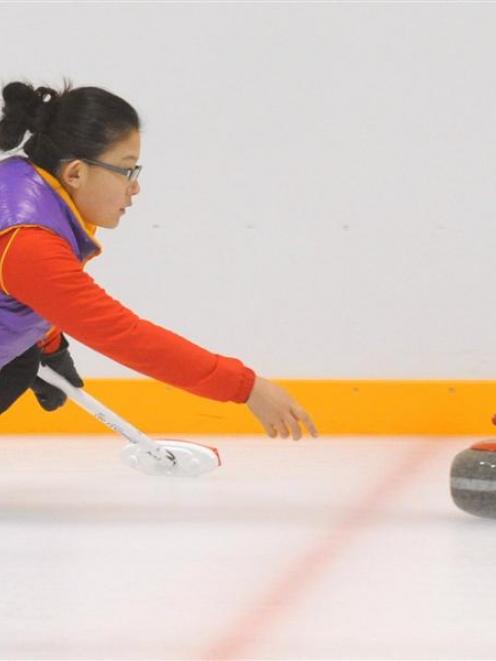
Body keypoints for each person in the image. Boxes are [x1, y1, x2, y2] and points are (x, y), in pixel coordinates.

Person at [0, 79, 319, 441]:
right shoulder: (28, 240)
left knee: (19, 362)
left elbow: (34, 294)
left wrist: (51, 347)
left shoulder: (23, 190)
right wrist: (246, 387)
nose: (134, 187)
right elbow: (124, 335)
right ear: (76, 172)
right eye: (126, 169)